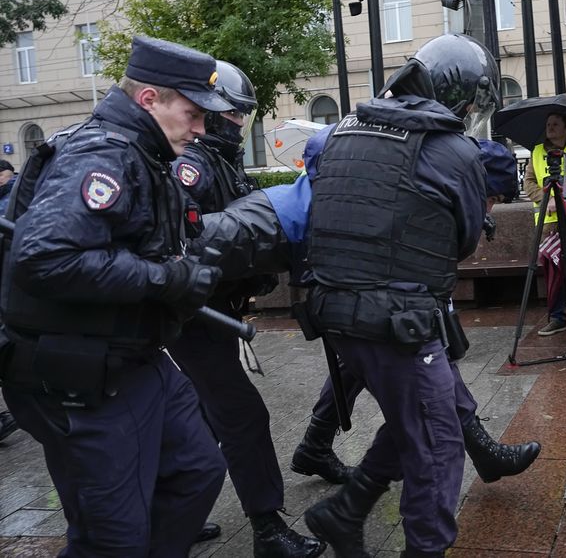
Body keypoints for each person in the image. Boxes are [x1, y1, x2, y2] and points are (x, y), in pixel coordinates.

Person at [0, 36, 233, 556]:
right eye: (193, 113)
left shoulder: (140, 151)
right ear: (149, 99)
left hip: (134, 358)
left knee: (197, 471)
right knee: (113, 539)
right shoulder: (101, 154)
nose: (199, 129)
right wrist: (166, 280)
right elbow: (44, 258)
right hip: (83, 377)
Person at [299, 33, 501, 558]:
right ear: (458, 92)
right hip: (398, 323)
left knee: (425, 412)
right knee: (437, 445)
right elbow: (463, 241)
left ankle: (345, 511)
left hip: (335, 315)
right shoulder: (454, 151)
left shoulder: (341, 131)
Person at [290, 137, 541, 490]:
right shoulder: (417, 184)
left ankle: (317, 449)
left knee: (359, 367)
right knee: (426, 374)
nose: (490, 207)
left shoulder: (429, 179)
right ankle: (478, 450)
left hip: (353, 295)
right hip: (353, 290)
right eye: (491, 198)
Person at [168, 60, 324, 558]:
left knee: (199, 417)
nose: (239, 126)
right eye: (234, 116)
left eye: (242, 117)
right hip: (196, 315)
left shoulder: (219, 161)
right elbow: (185, 240)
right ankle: (267, 530)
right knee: (242, 418)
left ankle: (174, 516)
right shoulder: (189, 166)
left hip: (213, 311)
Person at [523, 113, 566, 337]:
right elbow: (528, 183)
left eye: (555, 124)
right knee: (552, 272)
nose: (550, 128)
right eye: (548, 124)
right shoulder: (538, 151)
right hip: (548, 224)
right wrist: (545, 196)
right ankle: (557, 318)